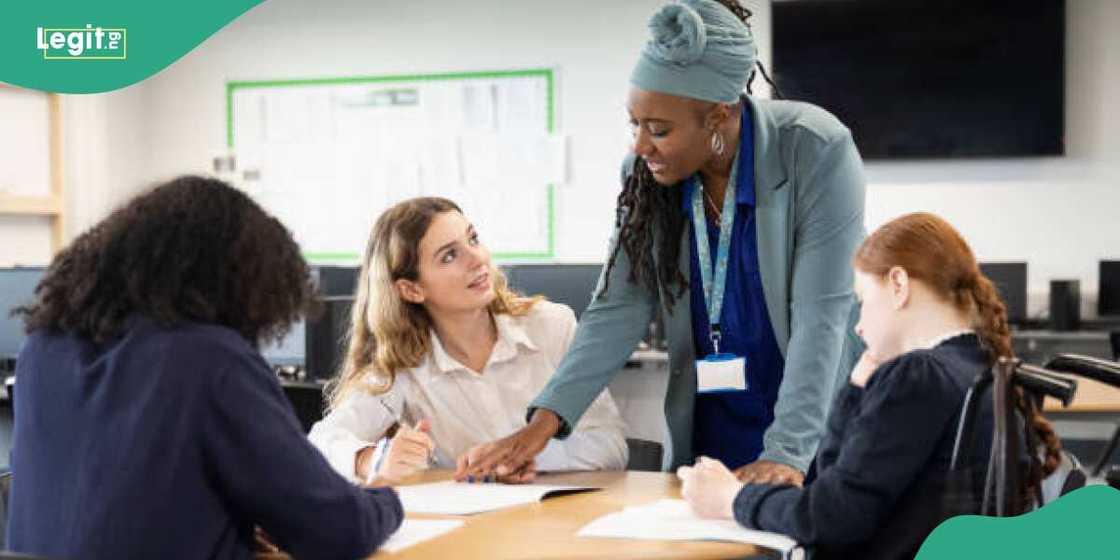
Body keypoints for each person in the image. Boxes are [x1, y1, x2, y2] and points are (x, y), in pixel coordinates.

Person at [458, 0, 865, 485]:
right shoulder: (647, 178)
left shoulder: (813, 149)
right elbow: (617, 306)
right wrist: (543, 423)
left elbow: (822, 315)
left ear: (718, 116)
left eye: (659, 129)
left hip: (810, 425)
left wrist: (788, 453)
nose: (640, 146)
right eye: (634, 124)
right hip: (712, 428)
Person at [7, 176, 402, 559]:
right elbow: (339, 529)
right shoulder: (209, 359)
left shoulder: (41, 351)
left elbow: (122, 502)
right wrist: (387, 500)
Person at [676, 212, 1063, 559]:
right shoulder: (982, 367)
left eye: (862, 301)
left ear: (898, 284)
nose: (858, 325)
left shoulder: (918, 376)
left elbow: (829, 519)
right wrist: (858, 387)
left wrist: (734, 498)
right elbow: (833, 487)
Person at [309, 197, 627, 485]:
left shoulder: (552, 326)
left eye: (473, 239)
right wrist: (371, 460)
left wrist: (528, 454)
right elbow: (323, 441)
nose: (477, 259)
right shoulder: (403, 364)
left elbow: (612, 445)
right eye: (449, 256)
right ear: (412, 290)